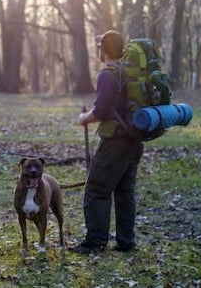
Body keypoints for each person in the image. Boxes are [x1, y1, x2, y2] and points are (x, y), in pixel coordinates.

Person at [70, 30, 143, 254]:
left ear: (103, 50)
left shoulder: (107, 75)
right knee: (124, 191)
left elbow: (101, 111)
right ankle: (126, 242)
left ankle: (95, 242)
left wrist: (84, 118)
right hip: (135, 140)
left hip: (115, 142)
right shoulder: (130, 73)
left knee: (97, 189)